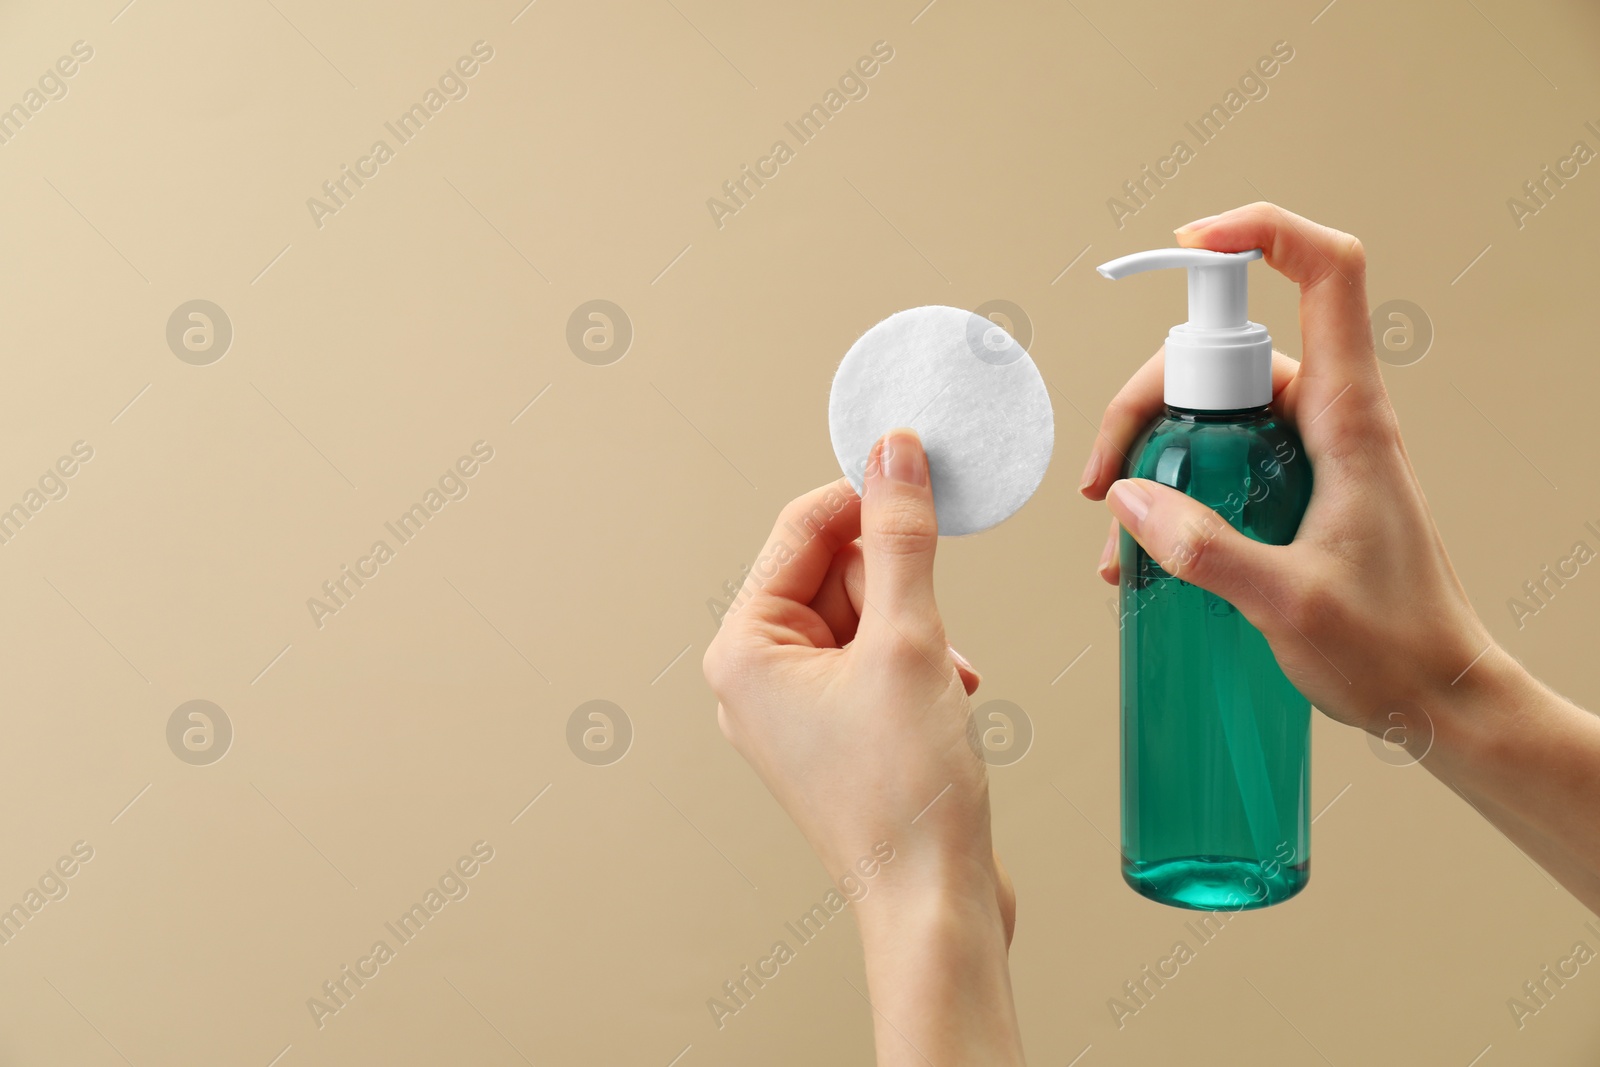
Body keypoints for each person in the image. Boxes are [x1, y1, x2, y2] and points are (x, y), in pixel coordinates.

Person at [700, 202, 1600, 1064]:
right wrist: (1444, 686)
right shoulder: (1166, 452)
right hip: (1172, 834)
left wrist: (919, 886)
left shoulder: (1240, 457)